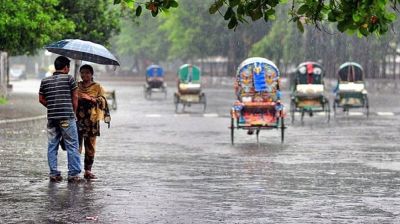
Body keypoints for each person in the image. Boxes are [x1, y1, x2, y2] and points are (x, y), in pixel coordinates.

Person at [39, 56, 83, 183]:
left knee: (52, 145)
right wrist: (73, 113)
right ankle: (73, 174)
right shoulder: (69, 79)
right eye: (68, 67)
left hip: (52, 118)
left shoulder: (45, 81)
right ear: (66, 67)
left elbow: (41, 99)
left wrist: (52, 106)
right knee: (72, 145)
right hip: (66, 117)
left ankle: (54, 173)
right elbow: (75, 99)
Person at [76, 64, 108, 180]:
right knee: (76, 146)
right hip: (78, 119)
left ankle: (88, 171)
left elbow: (103, 102)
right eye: (82, 72)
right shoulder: (76, 85)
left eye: (87, 73)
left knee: (90, 146)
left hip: (92, 120)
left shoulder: (97, 87)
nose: (84, 75)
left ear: (92, 74)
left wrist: (90, 98)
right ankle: (75, 170)